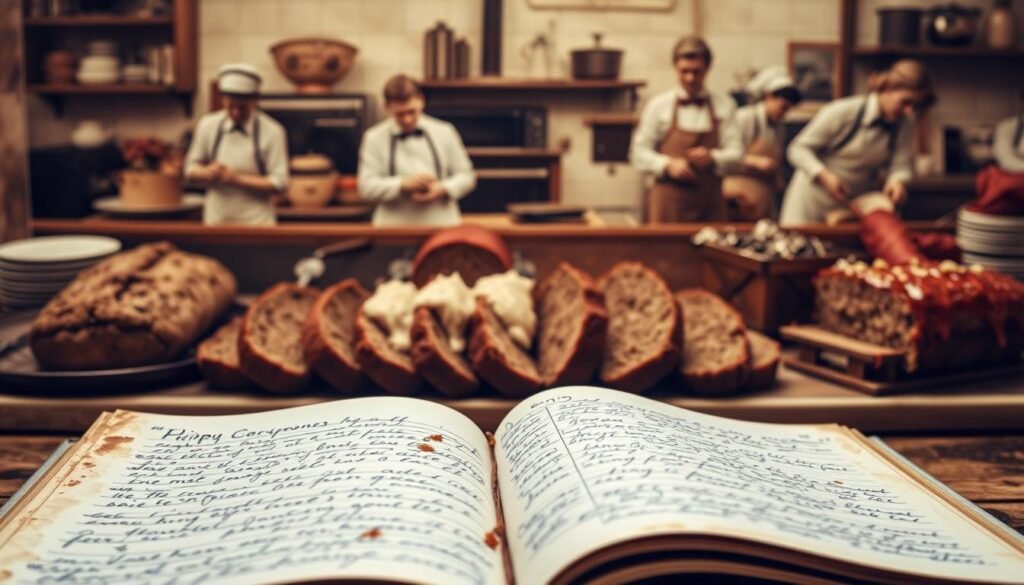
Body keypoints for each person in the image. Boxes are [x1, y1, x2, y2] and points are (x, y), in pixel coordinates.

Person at [779, 59, 935, 226]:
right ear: (888, 89)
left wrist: (897, 181)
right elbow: (797, 149)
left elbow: (901, 164)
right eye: (906, 102)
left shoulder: (903, 122)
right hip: (811, 202)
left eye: (915, 105)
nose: (909, 110)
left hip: (850, 206)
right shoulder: (843, 111)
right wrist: (824, 175)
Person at [630, 36, 735, 223]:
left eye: (697, 72)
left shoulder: (725, 106)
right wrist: (667, 164)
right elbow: (637, 153)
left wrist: (714, 157)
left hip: (709, 204)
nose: (690, 78)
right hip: (667, 204)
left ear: (707, 69)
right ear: (675, 68)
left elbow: (738, 154)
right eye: (684, 71)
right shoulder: (658, 105)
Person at [358, 74, 476, 227]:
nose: (407, 120)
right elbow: (366, 187)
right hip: (391, 230)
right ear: (387, 107)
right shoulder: (373, 137)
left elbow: (467, 176)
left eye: (412, 112)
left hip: (442, 225)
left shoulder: (445, 131)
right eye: (400, 114)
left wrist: (443, 188)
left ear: (421, 100)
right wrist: (402, 184)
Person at [185, 64, 288, 226]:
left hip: (258, 223)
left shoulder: (273, 131)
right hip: (215, 221)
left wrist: (236, 178)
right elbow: (190, 169)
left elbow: (279, 183)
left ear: (255, 100)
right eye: (231, 107)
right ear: (223, 99)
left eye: (243, 108)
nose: (236, 113)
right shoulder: (207, 125)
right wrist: (207, 172)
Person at [717, 66, 802, 221]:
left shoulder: (779, 127)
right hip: (736, 195)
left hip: (762, 199)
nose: (784, 113)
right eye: (782, 107)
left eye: (788, 110)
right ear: (768, 96)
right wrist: (754, 162)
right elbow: (722, 155)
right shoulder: (745, 117)